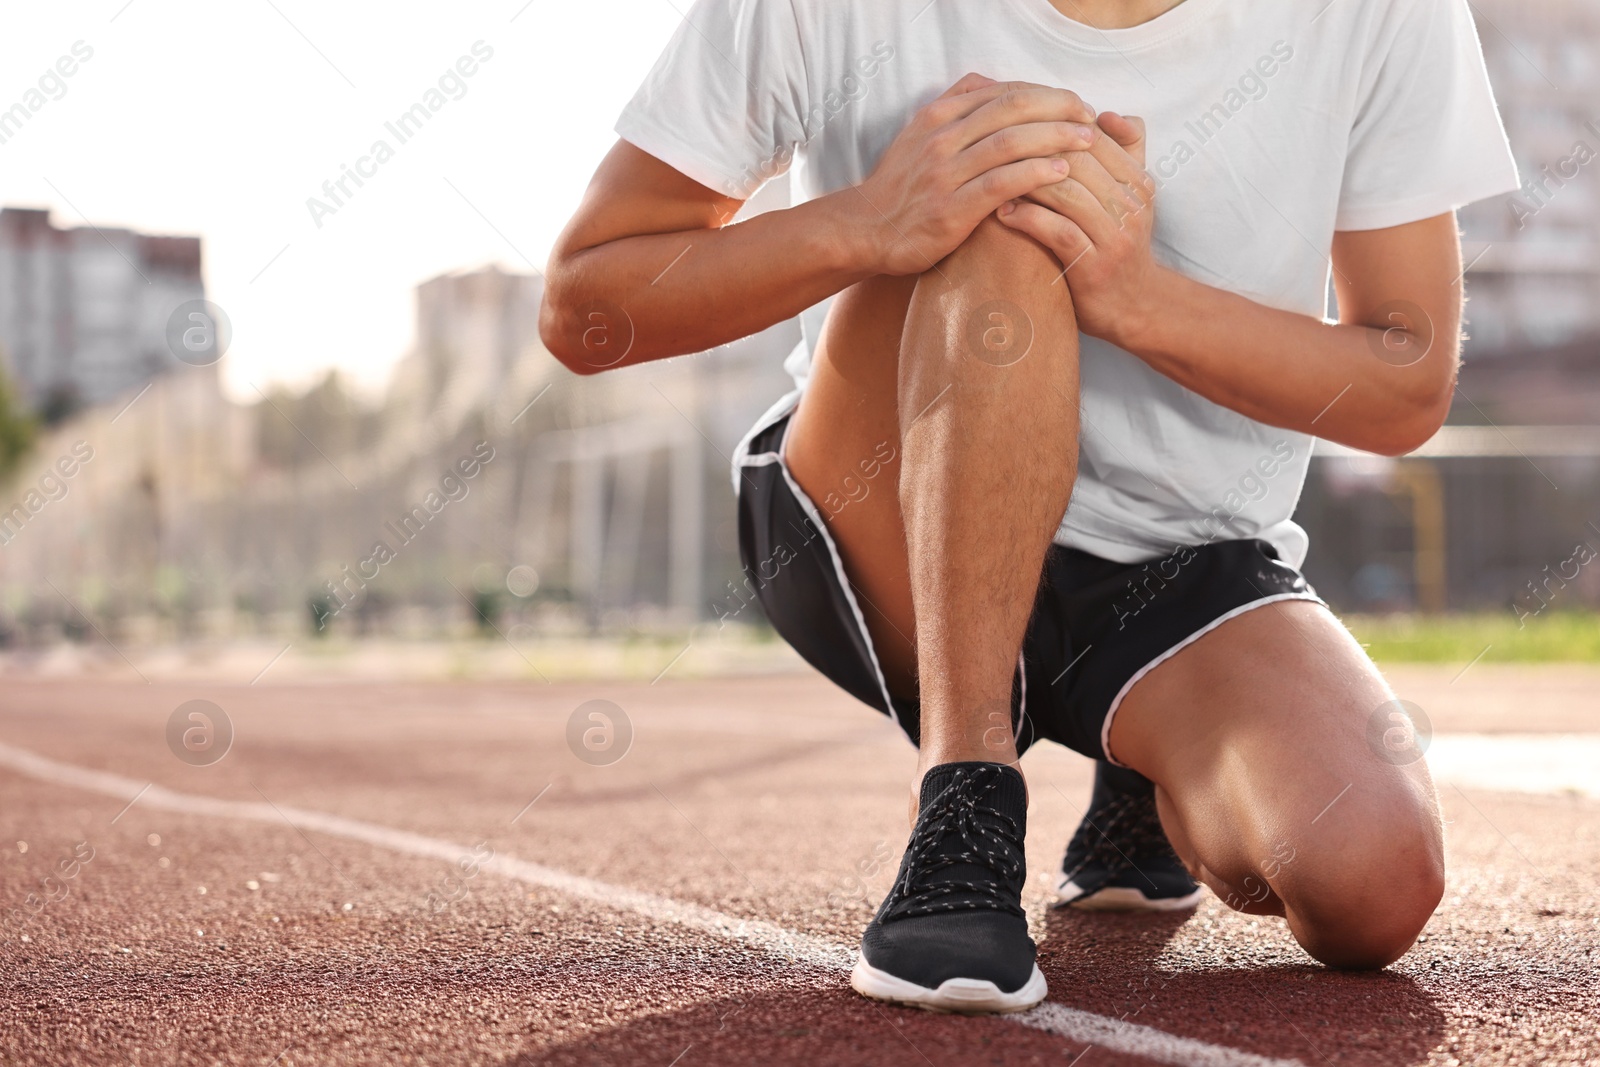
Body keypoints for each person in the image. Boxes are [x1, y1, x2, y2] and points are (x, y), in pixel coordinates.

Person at [540, 0, 1519, 1013]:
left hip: (1172, 566)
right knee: (1011, 196)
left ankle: (1137, 764)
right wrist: (864, 223)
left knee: (1373, 880)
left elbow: (1405, 380)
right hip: (880, 514)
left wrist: (1137, 298)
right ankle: (964, 799)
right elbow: (584, 302)